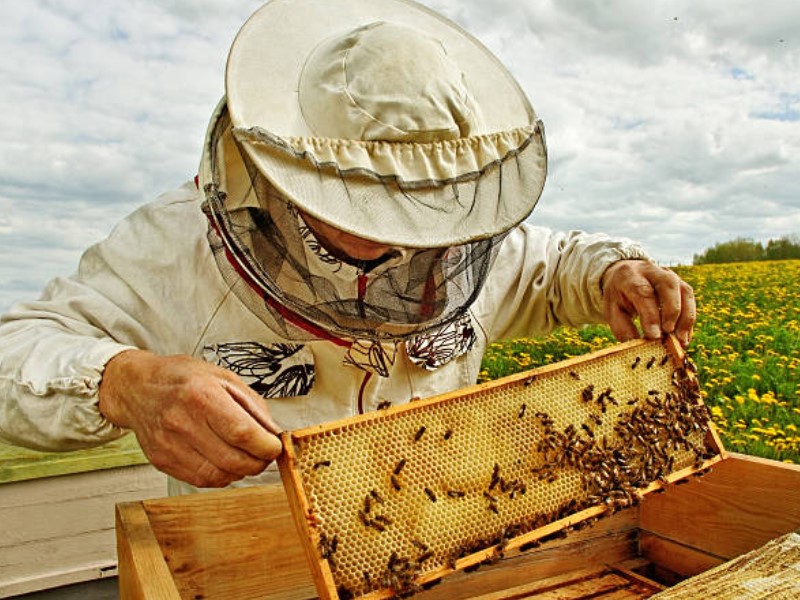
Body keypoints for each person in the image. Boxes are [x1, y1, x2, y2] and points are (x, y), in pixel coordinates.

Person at [0, 0, 694, 496]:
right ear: (293, 177)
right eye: (368, 206)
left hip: (444, 544)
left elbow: (552, 267)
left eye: (418, 209)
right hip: (255, 565)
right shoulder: (170, 243)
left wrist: (613, 271)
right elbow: (16, 350)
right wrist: (124, 382)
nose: (400, 238)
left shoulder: (460, 241)